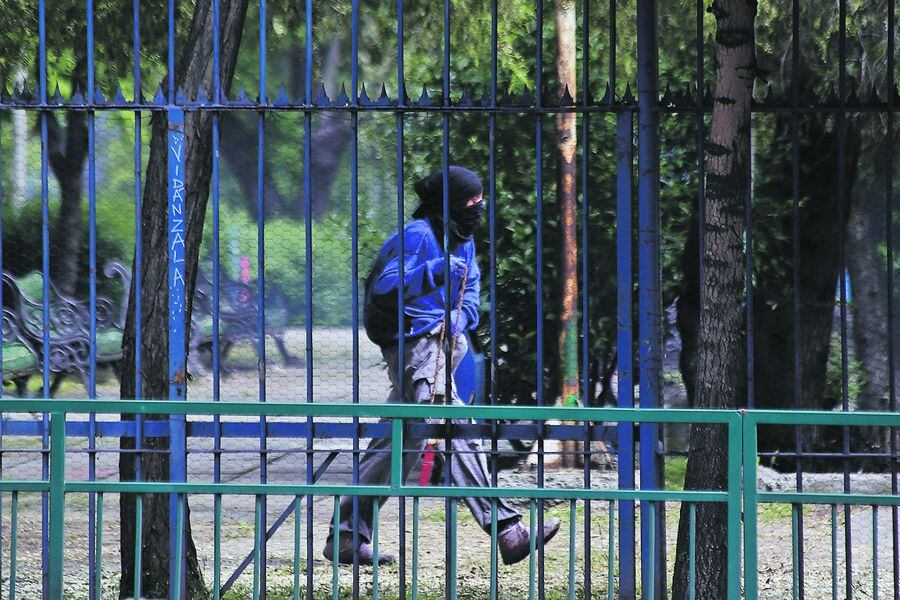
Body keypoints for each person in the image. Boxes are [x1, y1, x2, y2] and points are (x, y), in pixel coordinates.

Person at [323, 166, 560, 566]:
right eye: (470, 201)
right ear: (448, 202)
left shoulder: (463, 242)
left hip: (445, 347)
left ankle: (346, 536)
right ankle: (506, 530)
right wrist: (433, 273)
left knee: (397, 443)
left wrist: (461, 317)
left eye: (479, 200)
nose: (477, 208)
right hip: (417, 348)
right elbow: (385, 285)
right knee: (456, 427)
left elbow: (470, 296)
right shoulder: (418, 236)